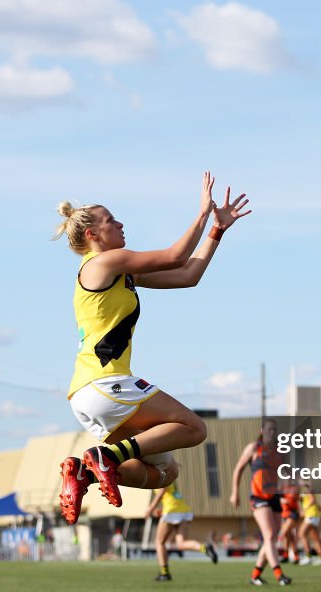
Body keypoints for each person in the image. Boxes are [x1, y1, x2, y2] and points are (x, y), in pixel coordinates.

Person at [54, 172, 251, 524]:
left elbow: (187, 275)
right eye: (111, 220)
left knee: (164, 473)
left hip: (86, 396)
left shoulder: (117, 272)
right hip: (105, 384)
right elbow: (175, 256)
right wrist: (202, 213)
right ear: (93, 235)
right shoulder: (104, 262)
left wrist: (216, 232)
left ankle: (86, 470)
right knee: (194, 428)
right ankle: (106, 458)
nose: (120, 223)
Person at [230, 418, 292, 586]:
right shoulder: (253, 448)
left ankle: (255, 575)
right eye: (269, 429)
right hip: (258, 498)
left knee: (270, 539)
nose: (272, 433)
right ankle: (279, 575)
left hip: (275, 496)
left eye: (274, 430)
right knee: (270, 534)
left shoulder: (280, 450)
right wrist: (235, 493)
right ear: (262, 431)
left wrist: (300, 482)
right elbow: (238, 469)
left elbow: (287, 471)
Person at [145, 479, 218, 581]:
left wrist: (150, 508)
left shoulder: (160, 473)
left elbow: (162, 491)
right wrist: (162, 511)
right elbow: (171, 495)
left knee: (159, 542)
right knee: (181, 543)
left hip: (172, 510)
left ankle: (164, 573)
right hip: (182, 509)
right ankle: (205, 548)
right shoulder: (169, 472)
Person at [297, 482, 321, 565]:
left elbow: (312, 500)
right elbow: (314, 501)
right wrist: (319, 507)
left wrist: (304, 509)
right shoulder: (305, 490)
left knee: (301, 533)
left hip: (311, 515)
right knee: (315, 537)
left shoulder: (307, 490)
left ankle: (308, 556)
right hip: (313, 515)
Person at [279, 482, 301, 564]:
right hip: (284, 514)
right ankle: (291, 555)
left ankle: (276, 543)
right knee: (289, 536)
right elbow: (277, 498)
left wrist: (286, 500)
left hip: (292, 513)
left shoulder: (294, 488)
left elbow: (294, 497)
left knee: (284, 532)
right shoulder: (282, 488)